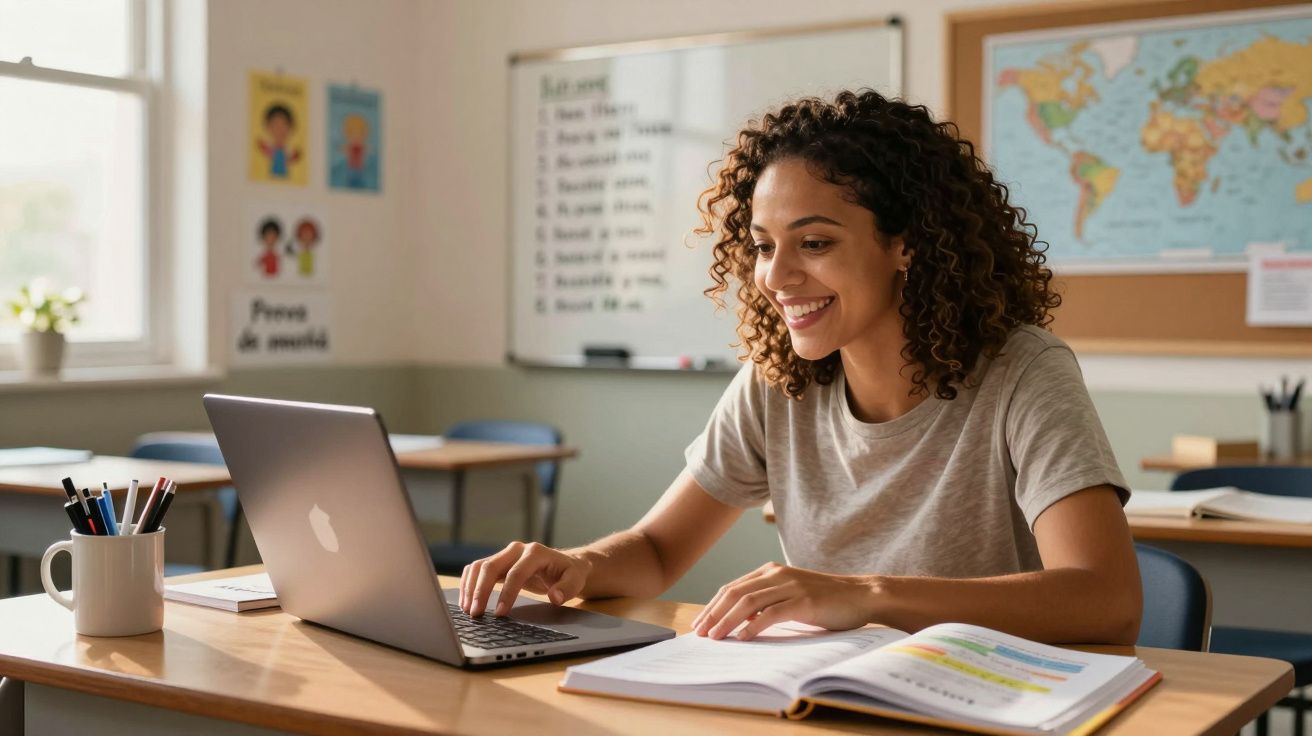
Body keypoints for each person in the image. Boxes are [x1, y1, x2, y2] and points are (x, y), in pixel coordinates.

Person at [461, 89, 1141, 645]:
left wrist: (862, 594)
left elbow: (1105, 597)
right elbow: (658, 552)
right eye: (762, 246)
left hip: (986, 701)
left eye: (813, 242)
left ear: (906, 245)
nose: (776, 276)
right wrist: (575, 566)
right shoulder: (776, 381)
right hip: (824, 699)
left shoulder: (1023, 371)